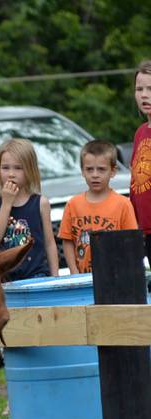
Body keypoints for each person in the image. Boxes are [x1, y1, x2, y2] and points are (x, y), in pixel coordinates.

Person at [0, 138, 59, 280]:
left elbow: (49, 243)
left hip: (37, 276)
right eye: (5, 168)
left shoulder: (40, 203)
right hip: (5, 279)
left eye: (18, 168)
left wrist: (55, 277)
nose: (11, 174)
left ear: (30, 170)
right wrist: (6, 203)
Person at [59, 140, 138, 273]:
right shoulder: (73, 204)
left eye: (101, 169)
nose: (95, 175)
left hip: (115, 278)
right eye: (89, 169)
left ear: (113, 171)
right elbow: (67, 241)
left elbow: (131, 243)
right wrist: (74, 272)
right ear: (83, 171)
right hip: (82, 280)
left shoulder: (123, 204)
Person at [130, 59, 151, 265]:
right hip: (145, 228)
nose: (144, 95)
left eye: (150, 88)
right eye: (139, 89)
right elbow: (136, 183)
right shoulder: (140, 133)